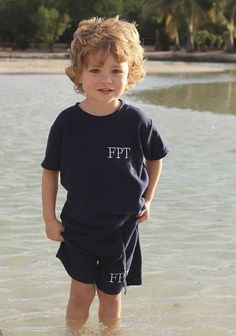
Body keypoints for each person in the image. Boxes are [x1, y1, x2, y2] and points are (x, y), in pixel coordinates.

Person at [41, 16, 168, 329]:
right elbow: (50, 171)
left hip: (121, 230)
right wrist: (49, 218)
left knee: (111, 296)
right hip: (78, 227)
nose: (105, 79)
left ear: (131, 73)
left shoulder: (137, 122)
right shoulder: (66, 123)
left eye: (116, 70)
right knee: (81, 292)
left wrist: (148, 199)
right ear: (79, 73)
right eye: (95, 69)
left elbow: (156, 158)